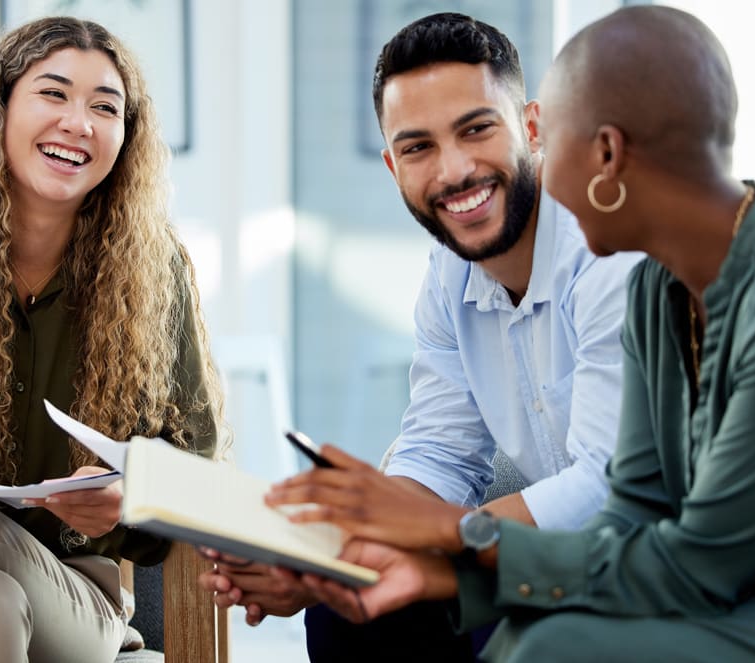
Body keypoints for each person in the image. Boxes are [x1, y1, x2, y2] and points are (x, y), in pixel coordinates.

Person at [270, 5, 755, 661]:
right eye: (418, 146)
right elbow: (632, 509)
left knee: (555, 643)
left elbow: (694, 559)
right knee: (427, 614)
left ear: (598, 151)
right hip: (686, 577)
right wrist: (403, 559)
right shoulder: (663, 295)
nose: (538, 170)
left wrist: (445, 536)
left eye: (549, 139)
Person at [202, 12, 640, 662]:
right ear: (392, 165)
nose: (454, 170)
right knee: (349, 610)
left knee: (490, 619)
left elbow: (605, 485)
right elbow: (440, 452)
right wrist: (324, 556)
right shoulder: (448, 274)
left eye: (476, 129)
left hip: (640, 568)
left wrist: (424, 532)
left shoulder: (607, 251)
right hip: (539, 556)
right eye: (418, 147)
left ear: (531, 126)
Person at [0, 16, 223, 663]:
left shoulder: (155, 266)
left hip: (75, 593)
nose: (78, 122)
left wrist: (126, 501)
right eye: (53, 93)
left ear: (125, 137)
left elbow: (196, 467)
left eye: (104, 106)